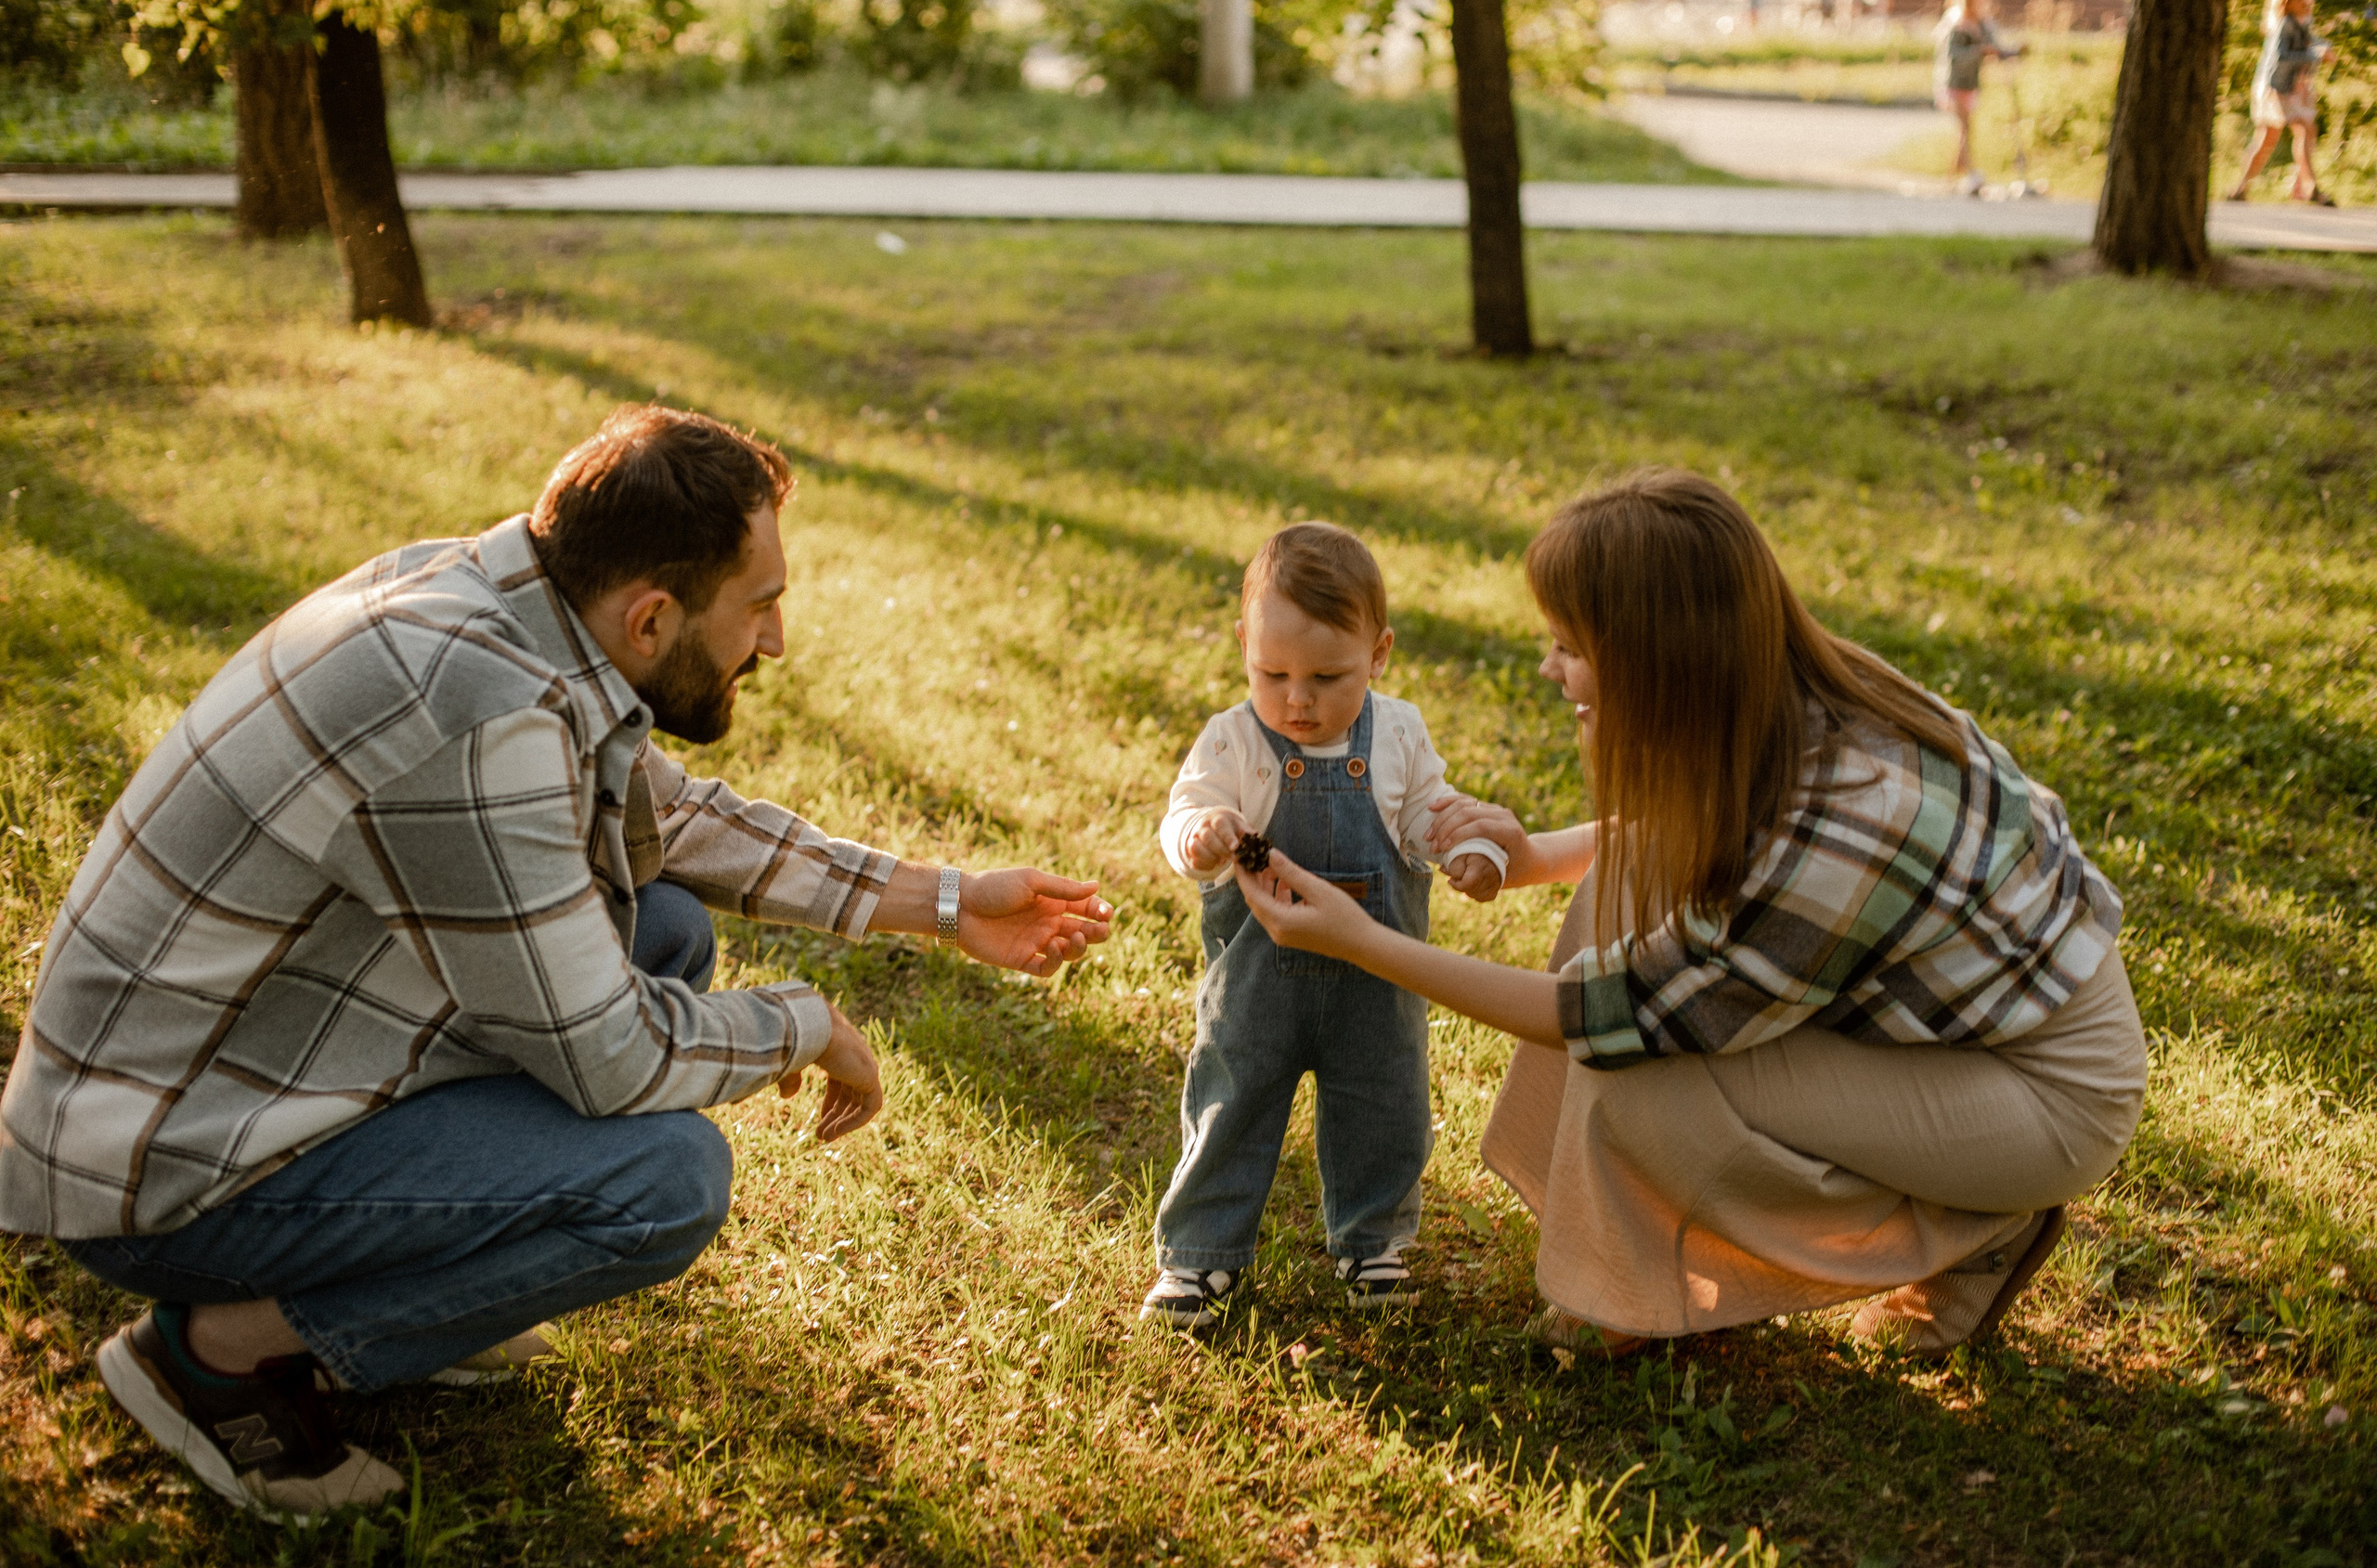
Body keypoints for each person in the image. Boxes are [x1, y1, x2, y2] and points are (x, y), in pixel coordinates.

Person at [0, 405, 1111, 1518]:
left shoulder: (500, 599)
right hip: (163, 1178)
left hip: (232, 1065)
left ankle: (395, 1285)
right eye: (761, 606)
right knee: (660, 1183)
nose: (774, 641)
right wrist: (805, 1023)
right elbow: (613, 1062)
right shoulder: (478, 721)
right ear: (652, 619)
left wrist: (948, 901)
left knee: (663, 927)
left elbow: (665, 818)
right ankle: (215, 1356)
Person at [1232, 471, 2145, 1360]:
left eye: (1567, 643)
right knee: (1617, 902)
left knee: (1644, 1080)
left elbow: (1599, 1019)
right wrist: (1537, 858)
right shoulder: (1778, 687)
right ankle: (1634, 1257)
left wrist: (1362, 943)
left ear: (1655, 660)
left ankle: (1968, 1225)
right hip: (1955, 1031)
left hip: (2039, 1093)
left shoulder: (1848, 822)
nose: (1549, 666)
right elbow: (1712, 830)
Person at [1141, 524, 1508, 1328]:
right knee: (1228, 1105)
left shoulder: (1400, 733)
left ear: (1378, 655)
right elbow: (1186, 814)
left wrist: (1472, 850)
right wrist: (1198, 835)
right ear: (1243, 644)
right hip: (1256, 986)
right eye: (1271, 673)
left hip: (1376, 986)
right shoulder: (1235, 739)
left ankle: (1374, 1239)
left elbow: (1431, 816)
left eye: (1327, 676)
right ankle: (1200, 1254)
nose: (1297, 699)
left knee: (1385, 1105)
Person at [2228, 0, 2338, 207]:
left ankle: (2242, 188)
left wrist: (2323, 47)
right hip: (2276, 88)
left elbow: (2309, 43)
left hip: (2289, 88)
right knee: (2295, 131)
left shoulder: (2301, 23)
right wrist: (2315, 55)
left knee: (2281, 135)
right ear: (2286, 2)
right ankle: (2308, 188)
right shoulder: (2283, 24)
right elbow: (2283, 56)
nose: (2306, 3)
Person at [1935, 0, 2020, 196]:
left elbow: (1996, 47)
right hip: (1952, 82)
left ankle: (1951, 178)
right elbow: (1953, 56)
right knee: (1964, 127)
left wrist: (2012, 52)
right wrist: (1978, 51)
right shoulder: (1957, 23)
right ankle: (1972, 173)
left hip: (1971, 84)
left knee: (1964, 130)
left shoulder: (1983, 24)